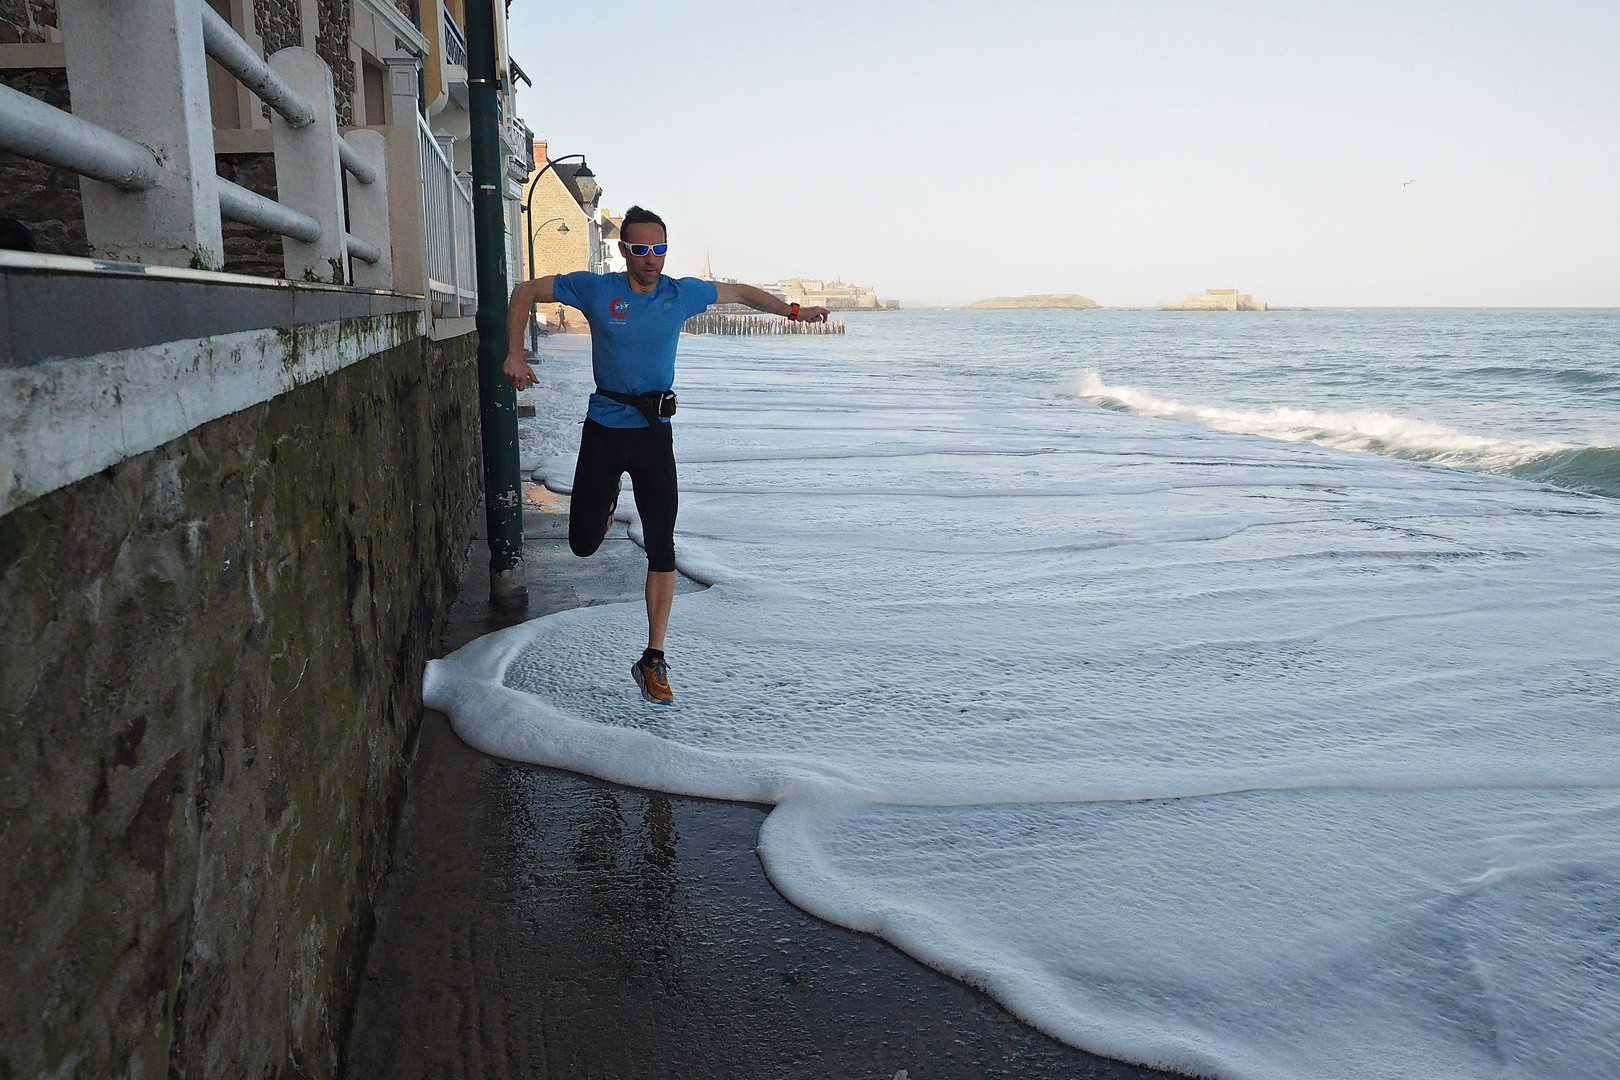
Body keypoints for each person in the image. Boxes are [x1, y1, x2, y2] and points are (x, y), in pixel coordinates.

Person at [503, 206, 828, 705]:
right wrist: (515, 354)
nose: (650, 259)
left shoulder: (680, 293)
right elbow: (524, 290)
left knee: (662, 543)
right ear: (623, 250)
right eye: (640, 249)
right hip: (605, 429)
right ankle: (605, 506)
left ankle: (652, 658)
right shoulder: (597, 289)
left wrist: (793, 312)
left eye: (658, 249)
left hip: (655, 432)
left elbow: (739, 292)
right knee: (583, 544)